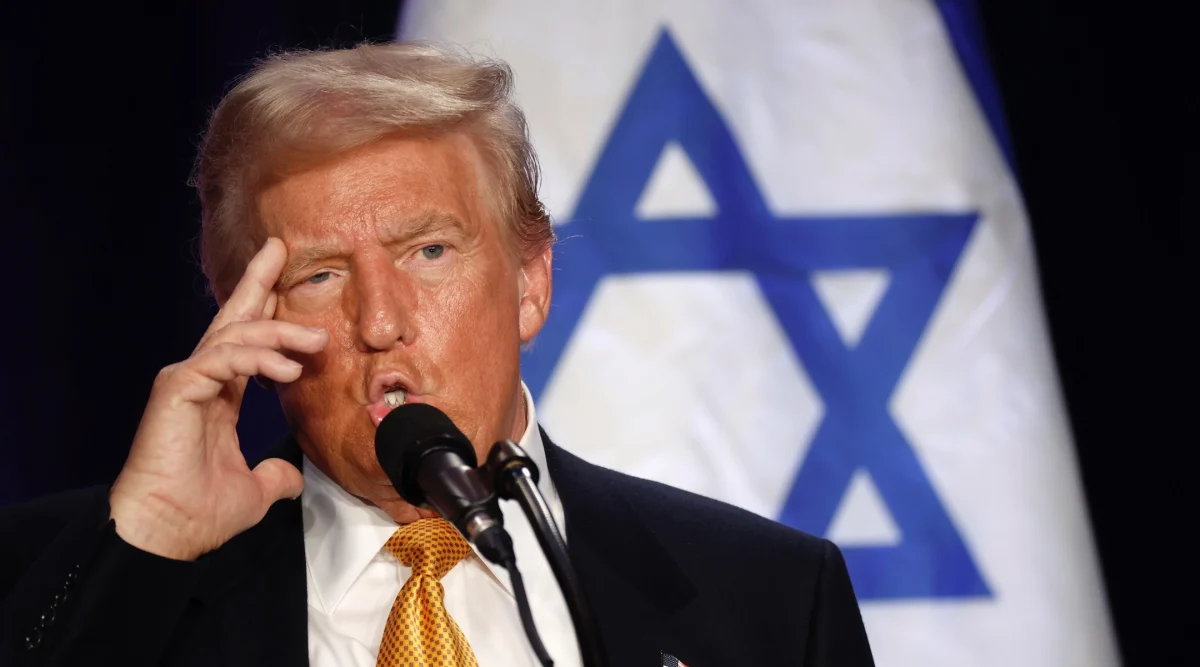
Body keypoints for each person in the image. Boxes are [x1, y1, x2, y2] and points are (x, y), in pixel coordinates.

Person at [0, 43, 874, 667]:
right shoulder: (61, 578)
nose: (381, 320)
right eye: (320, 273)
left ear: (530, 284)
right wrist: (148, 541)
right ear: (246, 320)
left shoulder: (767, 599)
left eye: (430, 253)